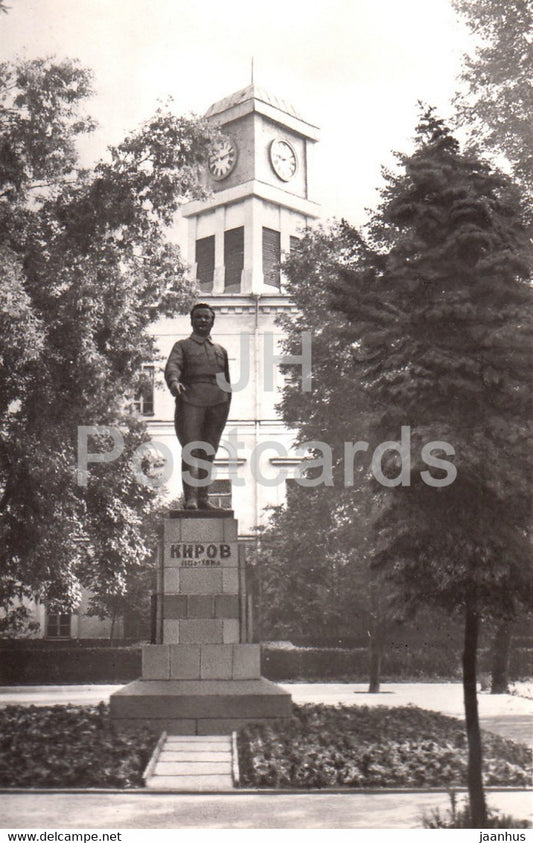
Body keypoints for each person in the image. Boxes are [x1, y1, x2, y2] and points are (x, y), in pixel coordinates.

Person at [164, 303, 231, 510]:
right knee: (192, 449)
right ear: (192, 321)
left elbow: (225, 381)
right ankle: (191, 498)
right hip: (191, 399)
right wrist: (174, 382)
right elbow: (173, 366)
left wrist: (225, 403)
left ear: (212, 322)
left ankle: (203, 497)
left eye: (206, 317)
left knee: (209, 451)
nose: (203, 320)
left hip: (217, 403)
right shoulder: (182, 346)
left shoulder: (220, 350)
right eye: (199, 317)